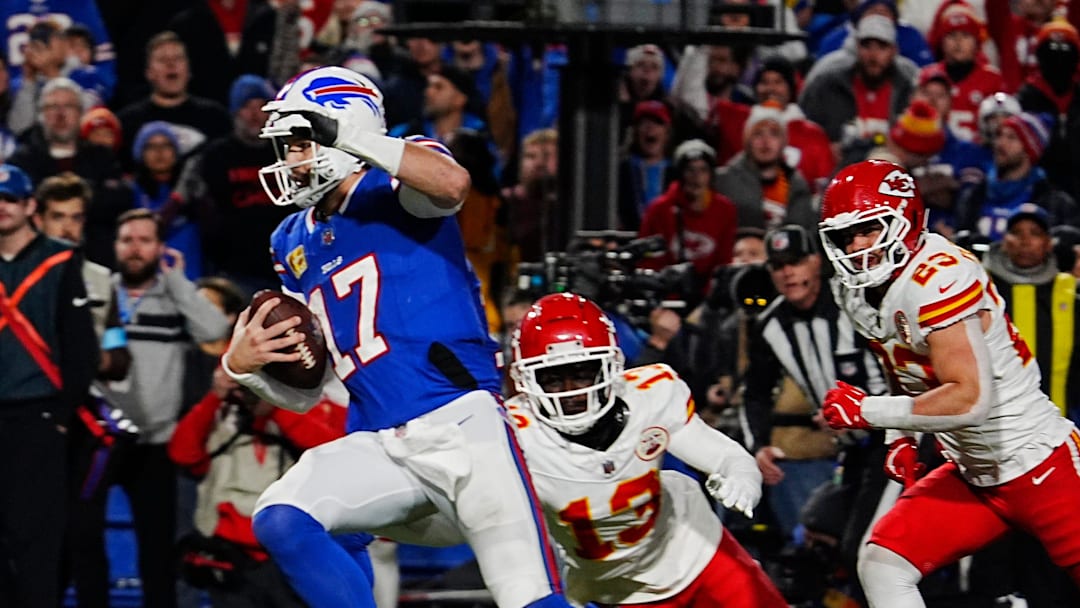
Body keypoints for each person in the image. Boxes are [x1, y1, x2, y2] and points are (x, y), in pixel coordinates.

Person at [221, 66, 573, 608]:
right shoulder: (291, 237)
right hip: (378, 440)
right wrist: (246, 368)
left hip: (462, 427)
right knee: (285, 519)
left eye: (298, 143)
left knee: (529, 598)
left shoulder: (395, 176)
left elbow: (453, 186)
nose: (289, 161)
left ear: (341, 129)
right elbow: (309, 390)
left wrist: (349, 138)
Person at [817, 159, 1080, 607]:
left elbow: (969, 397)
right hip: (972, 473)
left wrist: (867, 412)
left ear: (907, 223)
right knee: (881, 565)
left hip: (1035, 460)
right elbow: (905, 370)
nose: (857, 246)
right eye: (846, 235)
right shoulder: (856, 288)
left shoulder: (937, 276)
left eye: (870, 230)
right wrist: (900, 438)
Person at [504, 291, 788, 607]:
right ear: (526, 379)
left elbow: (725, 456)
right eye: (552, 378)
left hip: (696, 550)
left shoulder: (650, 398)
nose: (570, 391)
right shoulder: (514, 435)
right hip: (616, 590)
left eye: (582, 373)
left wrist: (741, 476)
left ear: (609, 366)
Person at [0, 162, 97, 607]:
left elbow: (81, 347)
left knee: (37, 536)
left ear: (30, 206)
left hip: (39, 415)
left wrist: (62, 415)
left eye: (11, 200)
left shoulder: (59, 259)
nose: (2, 208)